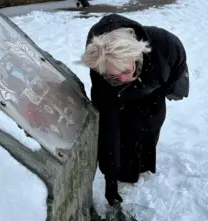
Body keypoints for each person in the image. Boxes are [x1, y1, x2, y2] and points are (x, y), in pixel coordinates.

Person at [80, 13, 189, 205]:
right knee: (125, 131)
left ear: (136, 55)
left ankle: (145, 164)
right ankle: (126, 174)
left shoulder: (165, 45)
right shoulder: (102, 69)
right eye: (113, 76)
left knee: (152, 122)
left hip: (154, 82)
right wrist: (110, 179)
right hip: (120, 96)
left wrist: (161, 90)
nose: (121, 79)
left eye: (125, 71)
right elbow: (108, 126)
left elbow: (177, 68)